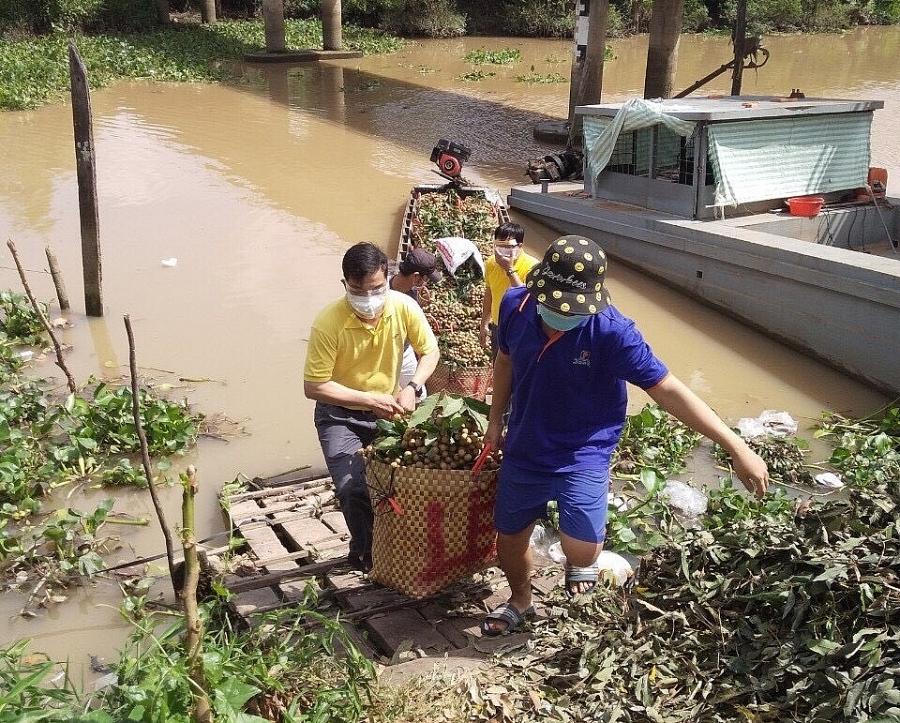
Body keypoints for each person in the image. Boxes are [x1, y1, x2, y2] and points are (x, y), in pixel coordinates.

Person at [480, 235, 770, 635]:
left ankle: (577, 572)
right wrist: (496, 421)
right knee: (509, 540)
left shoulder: (613, 332)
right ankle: (520, 598)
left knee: (582, 548)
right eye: (556, 303)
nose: (563, 313)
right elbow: (505, 362)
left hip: (584, 448)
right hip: (527, 442)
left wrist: (735, 445)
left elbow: (669, 390)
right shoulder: (515, 305)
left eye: (573, 308)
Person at [304, 242, 440, 571]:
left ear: (387, 279)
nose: (368, 298)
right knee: (353, 489)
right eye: (358, 290)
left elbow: (430, 353)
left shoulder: (405, 307)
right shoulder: (328, 322)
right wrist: (368, 399)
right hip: (340, 415)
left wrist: (412, 387)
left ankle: (396, 545)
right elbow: (314, 385)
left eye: (377, 289)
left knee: (401, 483)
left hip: (390, 411)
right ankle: (366, 553)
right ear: (345, 285)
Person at [480, 222, 539, 359]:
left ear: (519, 246)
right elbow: (489, 294)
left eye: (509, 247)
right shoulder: (490, 263)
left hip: (521, 327)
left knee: (518, 368)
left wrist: (509, 269)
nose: (503, 251)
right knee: (499, 364)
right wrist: (484, 322)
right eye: (499, 246)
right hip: (498, 325)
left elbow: (527, 298)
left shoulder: (533, 267)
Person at [389, 248, 443, 393]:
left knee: (419, 394)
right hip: (385, 353)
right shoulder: (382, 294)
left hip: (405, 352)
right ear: (416, 277)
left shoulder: (411, 294)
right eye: (426, 279)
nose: (426, 282)